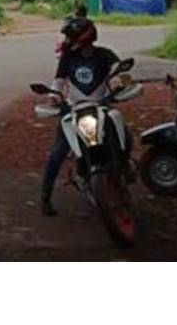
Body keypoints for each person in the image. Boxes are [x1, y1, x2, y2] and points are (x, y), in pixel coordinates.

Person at [39, 16, 123, 217]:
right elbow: (58, 81)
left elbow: (118, 72)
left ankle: (123, 169)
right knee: (58, 152)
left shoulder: (105, 55)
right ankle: (45, 197)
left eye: (71, 36)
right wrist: (53, 96)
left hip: (101, 106)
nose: (68, 40)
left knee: (120, 136)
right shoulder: (68, 59)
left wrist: (121, 82)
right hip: (73, 109)